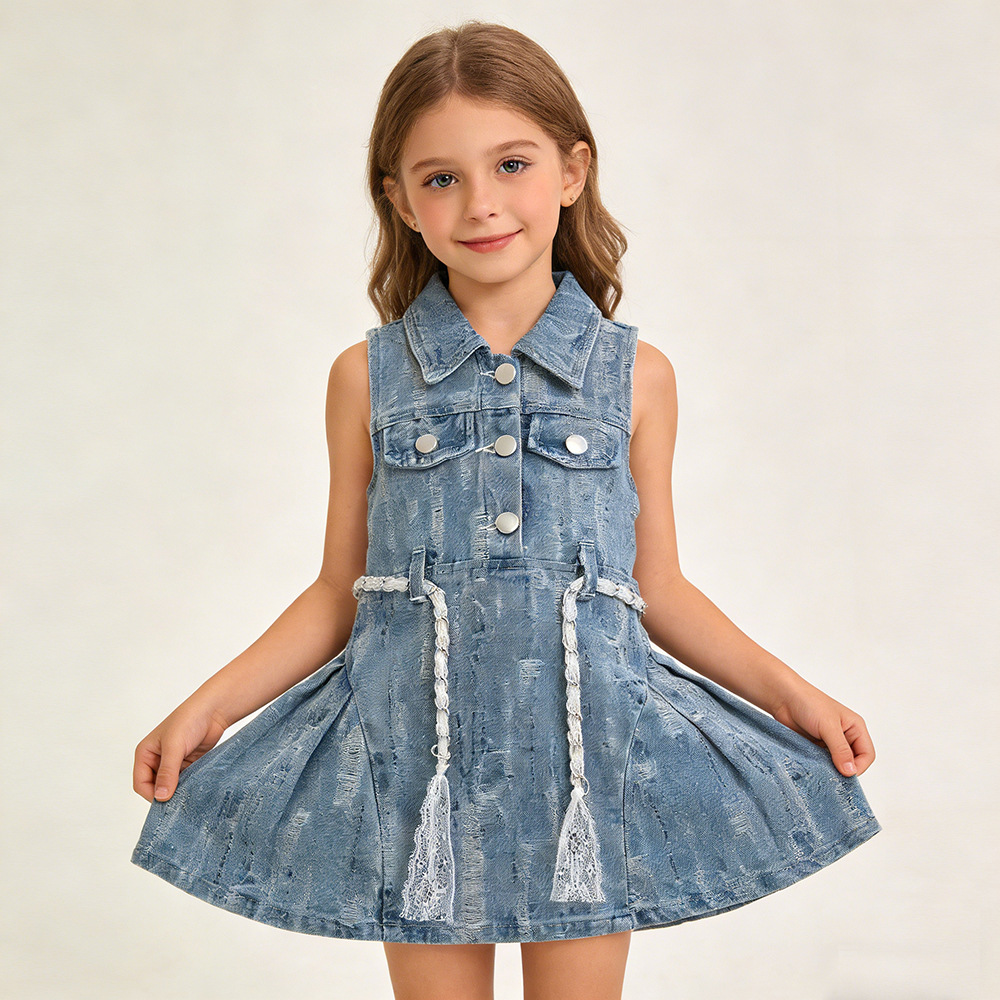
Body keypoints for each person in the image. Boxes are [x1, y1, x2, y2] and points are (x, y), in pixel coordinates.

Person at [131, 20, 880, 1000]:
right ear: (399, 201)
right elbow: (338, 591)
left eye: (511, 164)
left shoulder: (638, 376)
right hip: (420, 778)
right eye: (441, 178)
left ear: (572, 171)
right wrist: (210, 705)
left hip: (587, 776)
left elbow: (656, 587)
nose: (481, 202)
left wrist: (792, 697)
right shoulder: (365, 378)